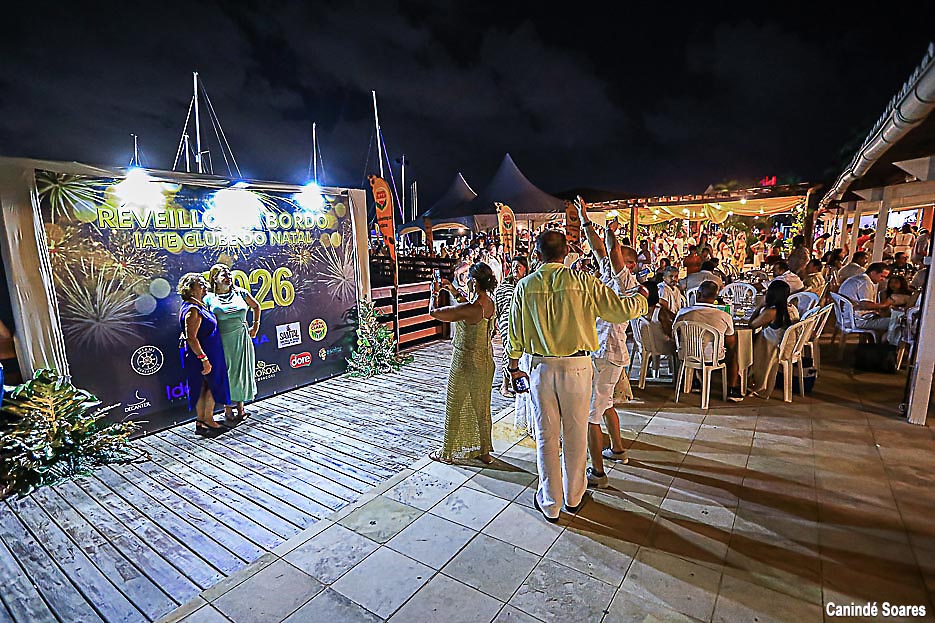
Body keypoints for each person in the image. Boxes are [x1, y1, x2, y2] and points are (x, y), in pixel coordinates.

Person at [507, 227, 647, 522]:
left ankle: (550, 502)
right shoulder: (584, 282)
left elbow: (515, 334)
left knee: (546, 436)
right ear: (566, 252)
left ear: (537, 254)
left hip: (541, 368)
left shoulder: (524, 286)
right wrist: (643, 300)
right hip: (578, 367)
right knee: (576, 432)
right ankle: (573, 496)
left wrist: (514, 365)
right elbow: (619, 311)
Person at [579, 204, 639, 488]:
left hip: (607, 353)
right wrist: (585, 221)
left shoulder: (627, 282)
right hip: (605, 353)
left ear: (630, 265)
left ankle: (598, 473)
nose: (610, 260)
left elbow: (612, 251)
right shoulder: (608, 275)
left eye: (621, 260)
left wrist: (610, 232)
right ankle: (617, 449)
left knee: (591, 414)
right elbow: (600, 250)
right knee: (606, 405)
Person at [429, 263, 499, 464]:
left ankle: (447, 452)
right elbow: (466, 306)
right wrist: (452, 290)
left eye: (469, 278)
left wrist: (433, 293)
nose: (466, 280)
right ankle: (484, 451)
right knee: (482, 407)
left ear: (474, 282)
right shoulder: (489, 303)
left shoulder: (471, 308)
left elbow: (435, 312)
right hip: (486, 361)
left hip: (465, 362)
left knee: (454, 405)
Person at [204, 264, 260, 424]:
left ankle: (241, 408)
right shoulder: (209, 298)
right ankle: (227, 409)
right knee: (227, 374)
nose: (228, 277)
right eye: (224, 275)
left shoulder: (241, 293)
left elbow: (256, 306)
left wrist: (255, 326)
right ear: (215, 279)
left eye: (229, 274)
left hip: (242, 339)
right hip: (221, 341)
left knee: (241, 372)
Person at [177, 273, 231, 437]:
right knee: (210, 386)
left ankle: (201, 421)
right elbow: (191, 337)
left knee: (204, 387)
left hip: (207, 354)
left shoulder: (196, 306)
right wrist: (204, 359)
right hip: (203, 356)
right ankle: (208, 420)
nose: (205, 286)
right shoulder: (192, 310)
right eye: (200, 284)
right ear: (191, 289)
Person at [674, 280, 744, 402]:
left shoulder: (683, 312)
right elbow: (730, 342)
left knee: (688, 343)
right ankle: (733, 389)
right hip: (713, 357)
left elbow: (675, 332)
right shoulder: (724, 316)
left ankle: (693, 380)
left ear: (698, 295)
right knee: (733, 351)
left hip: (687, 355)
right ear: (715, 298)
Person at [748, 280, 799, 398]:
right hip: (788, 346)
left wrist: (760, 306)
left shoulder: (772, 312)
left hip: (773, 347)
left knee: (748, 341)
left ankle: (747, 376)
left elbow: (752, 324)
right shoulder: (792, 308)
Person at [493, 256, 529, 397]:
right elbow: (498, 303)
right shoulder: (505, 286)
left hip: (523, 321)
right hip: (506, 320)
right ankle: (504, 385)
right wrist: (496, 319)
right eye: (513, 266)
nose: (515, 268)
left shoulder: (528, 284)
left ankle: (518, 381)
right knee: (509, 348)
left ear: (525, 269)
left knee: (520, 351)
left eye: (519, 266)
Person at [838, 262, 893, 334]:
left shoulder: (858, 278)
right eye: (882, 276)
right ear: (873, 273)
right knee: (896, 322)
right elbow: (866, 305)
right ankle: (884, 341)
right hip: (856, 320)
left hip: (845, 318)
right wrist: (885, 304)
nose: (883, 279)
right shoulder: (865, 282)